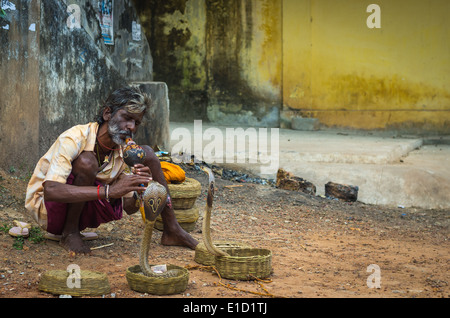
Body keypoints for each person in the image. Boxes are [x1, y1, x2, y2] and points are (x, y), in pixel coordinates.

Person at [25, 86, 198, 254]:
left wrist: (139, 186)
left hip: (83, 209)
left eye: (136, 122)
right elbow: (51, 191)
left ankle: (172, 229)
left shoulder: (123, 150)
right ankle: (69, 233)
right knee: (87, 162)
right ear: (107, 113)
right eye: (127, 118)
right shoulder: (74, 138)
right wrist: (110, 190)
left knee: (149, 154)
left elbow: (129, 208)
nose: (131, 127)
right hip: (48, 210)